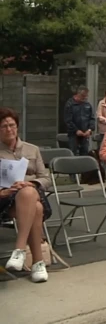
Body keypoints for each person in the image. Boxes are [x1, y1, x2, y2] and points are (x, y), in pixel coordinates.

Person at [0, 107, 51, 282]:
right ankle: (38, 263)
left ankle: (20, 250)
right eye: (4, 126)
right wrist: (3, 191)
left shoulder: (32, 149)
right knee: (35, 209)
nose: (9, 129)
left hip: (31, 193)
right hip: (5, 199)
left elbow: (45, 178)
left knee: (28, 192)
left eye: (12, 125)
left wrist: (31, 183)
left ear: (17, 127)